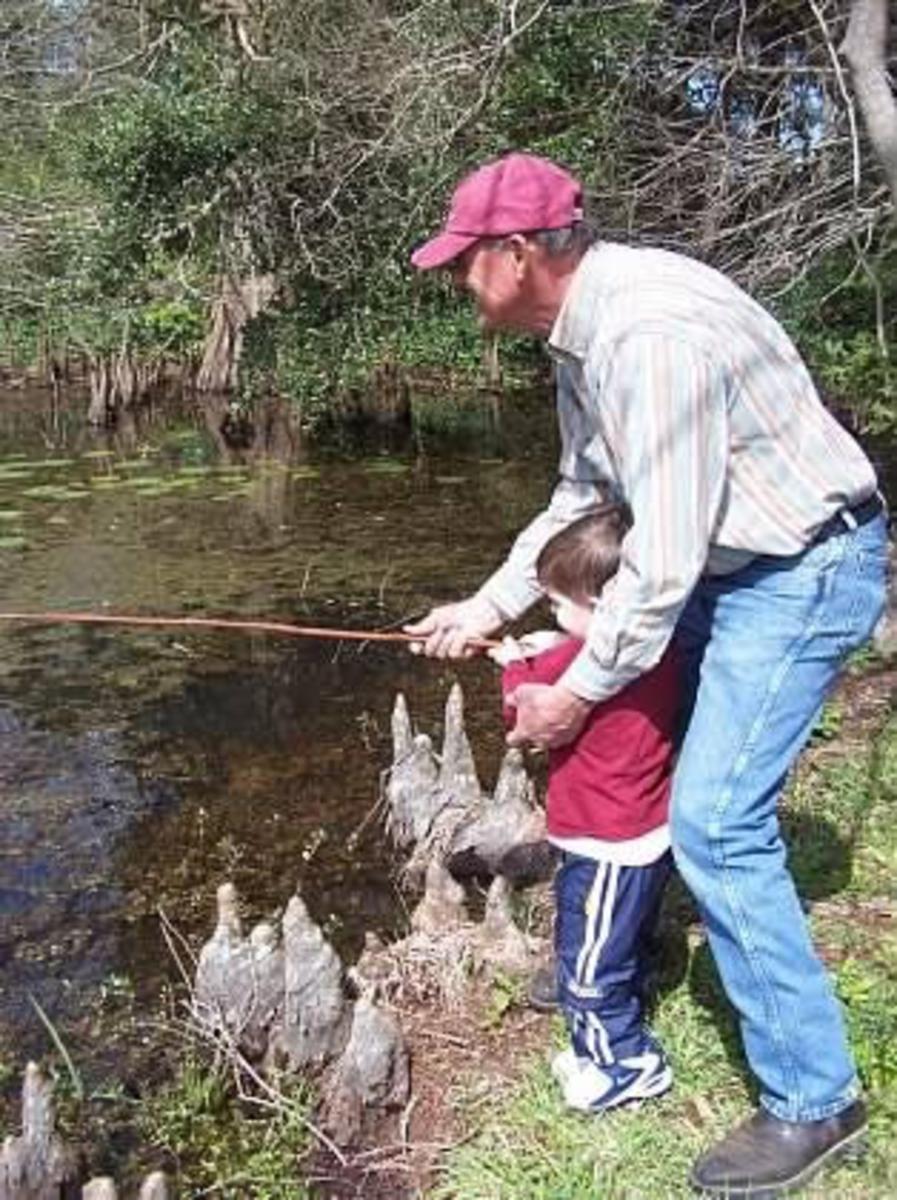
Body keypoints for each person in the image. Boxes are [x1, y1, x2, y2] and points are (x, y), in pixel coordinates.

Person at [405, 152, 887, 1199]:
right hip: (728, 560)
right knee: (655, 764)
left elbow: (660, 558)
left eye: (462, 265)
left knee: (715, 819)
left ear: (519, 254)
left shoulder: (645, 338)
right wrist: (489, 609)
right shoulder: (581, 336)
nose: (454, 284)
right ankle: (626, 957)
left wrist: (575, 691)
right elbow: (582, 498)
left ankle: (819, 1098)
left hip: (798, 568)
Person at [495, 503, 680, 1113]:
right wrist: (558, 641)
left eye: (558, 603)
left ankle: (626, 1063)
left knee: (588, 965)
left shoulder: (566, 667)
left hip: (604, 842)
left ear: (602, 606)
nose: (551, 613)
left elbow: (526, 715)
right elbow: (583, 654)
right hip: (642, 832)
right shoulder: (659, 646)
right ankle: (600, 1044)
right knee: (611, 942)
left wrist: (512, 665)